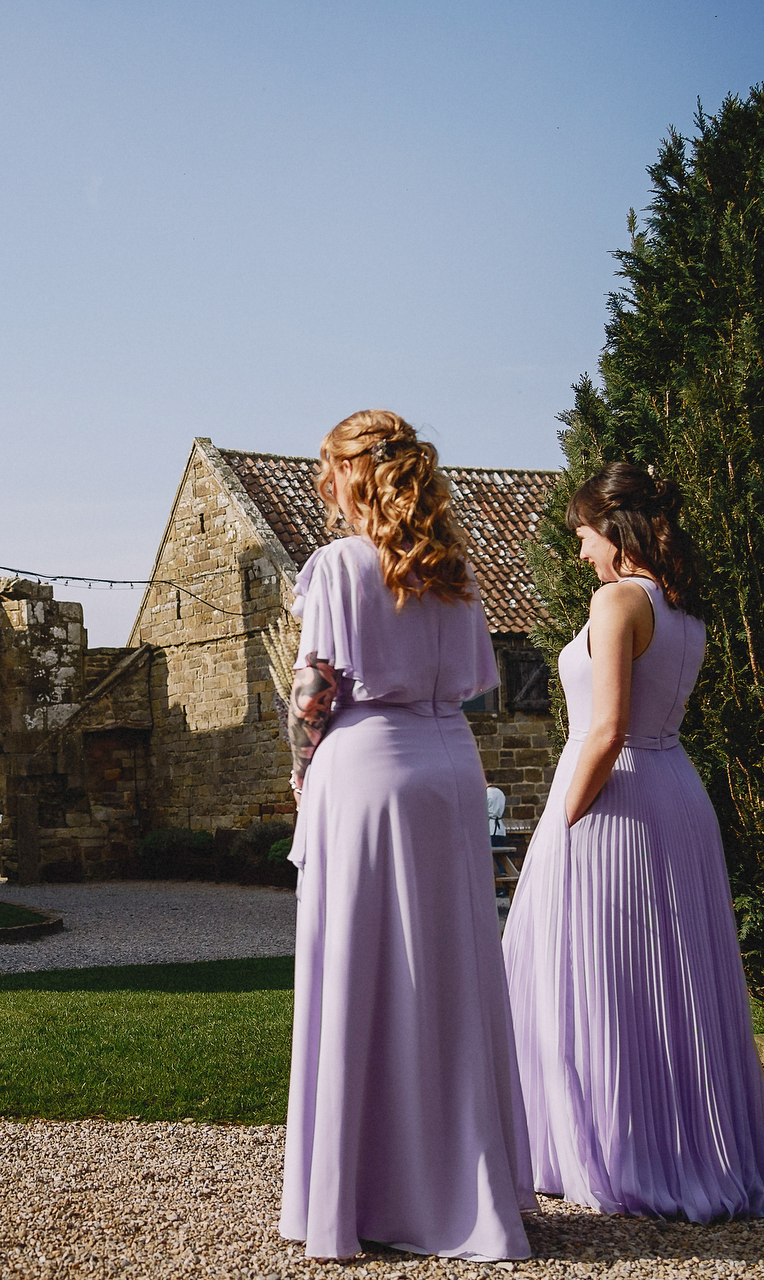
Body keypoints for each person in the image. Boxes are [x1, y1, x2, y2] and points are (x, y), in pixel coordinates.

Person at [279, 410, 532, 1262]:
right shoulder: (455, 573)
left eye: (327, 473)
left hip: (370, 769)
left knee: (364, 966)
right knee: (450, 968)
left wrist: (300, 767)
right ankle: (464, 1182)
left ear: (349, 476)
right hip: (453, 771)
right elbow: (470, 686)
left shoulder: (340, 566)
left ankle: (365, 1192)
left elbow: (315, 689)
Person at [502, 463, 764, 1220]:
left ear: (615, 529)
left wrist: (563, 820)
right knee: (668, 984)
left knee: (602, 975)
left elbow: (606, 730)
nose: (582, 552)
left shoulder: (618, 599)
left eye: (584, 535)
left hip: (617, 798)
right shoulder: (683, 610)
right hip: (677, 793)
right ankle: (681, 1146)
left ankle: (608, 1152)